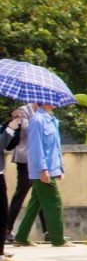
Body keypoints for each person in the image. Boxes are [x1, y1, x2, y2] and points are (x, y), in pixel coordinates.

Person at [12, 102, 68, 247]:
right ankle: (58, 239)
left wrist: (59, 169)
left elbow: (54, 147)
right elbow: (36, 148)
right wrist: (43, 170)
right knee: (55, 203)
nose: (56, 102)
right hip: (43, 170)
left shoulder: (52, 119)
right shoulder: (37, 120)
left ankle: (21, 237)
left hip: (51, 169)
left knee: (35, 204)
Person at [6, 104, 42, 243]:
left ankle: (48, 230)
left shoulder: (43, 111)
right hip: (24, 157)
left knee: (41, 193)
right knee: (22, 191)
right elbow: (28, 129)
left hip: (38, 158)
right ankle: (7, 229)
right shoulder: (23, 110)